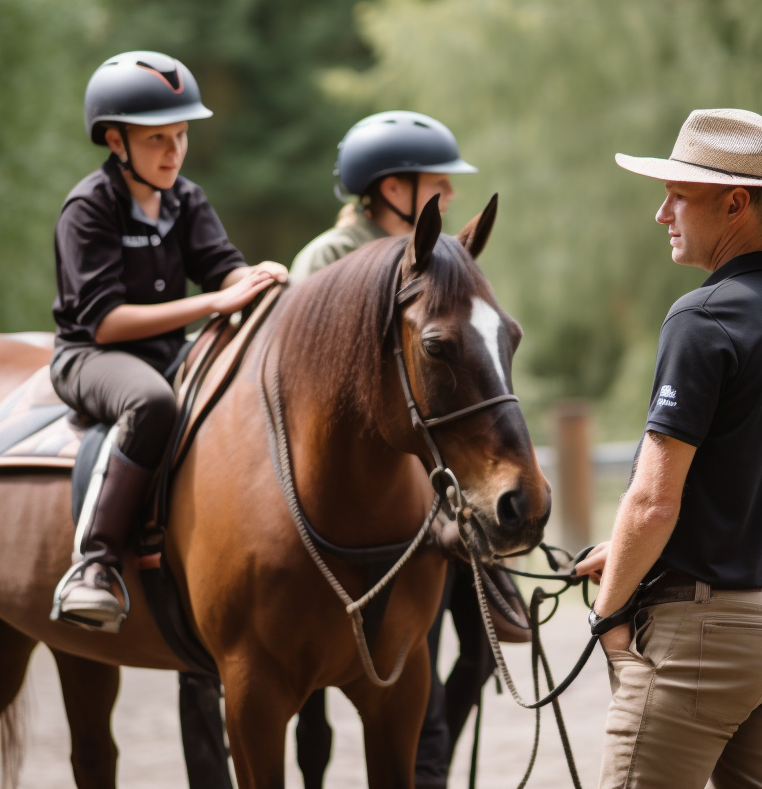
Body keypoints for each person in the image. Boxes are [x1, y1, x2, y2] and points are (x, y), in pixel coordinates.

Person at [575, 108, 762, 789]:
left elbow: (651, 501)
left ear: (734, 203)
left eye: (679, 195)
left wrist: (610, 616)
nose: (661, 213)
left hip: (711, 641)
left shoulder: (702, 319)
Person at [286, 111, 507, 789]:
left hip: (430, 477)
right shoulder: (327, 258)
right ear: (391, 189)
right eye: (439, 185)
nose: (450, 197)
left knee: (483, 649)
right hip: (363, 493)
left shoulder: (440, 260)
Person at [49, 51, 284, 631]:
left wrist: (259, 281)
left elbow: (221, 267)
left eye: (181, 136)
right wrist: (213, 303)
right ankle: (95, 563)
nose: (174, 151)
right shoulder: (88, 208)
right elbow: (104, 321)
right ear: (115, 141)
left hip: (164, 353)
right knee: (151, 402)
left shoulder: (187, 199)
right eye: (158, 139)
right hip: (93, 356)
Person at [288, 110, 475, 283]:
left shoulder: (439, 254)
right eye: (438, 183)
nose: (451, 193)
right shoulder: (331, 255)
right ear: (392, 189)